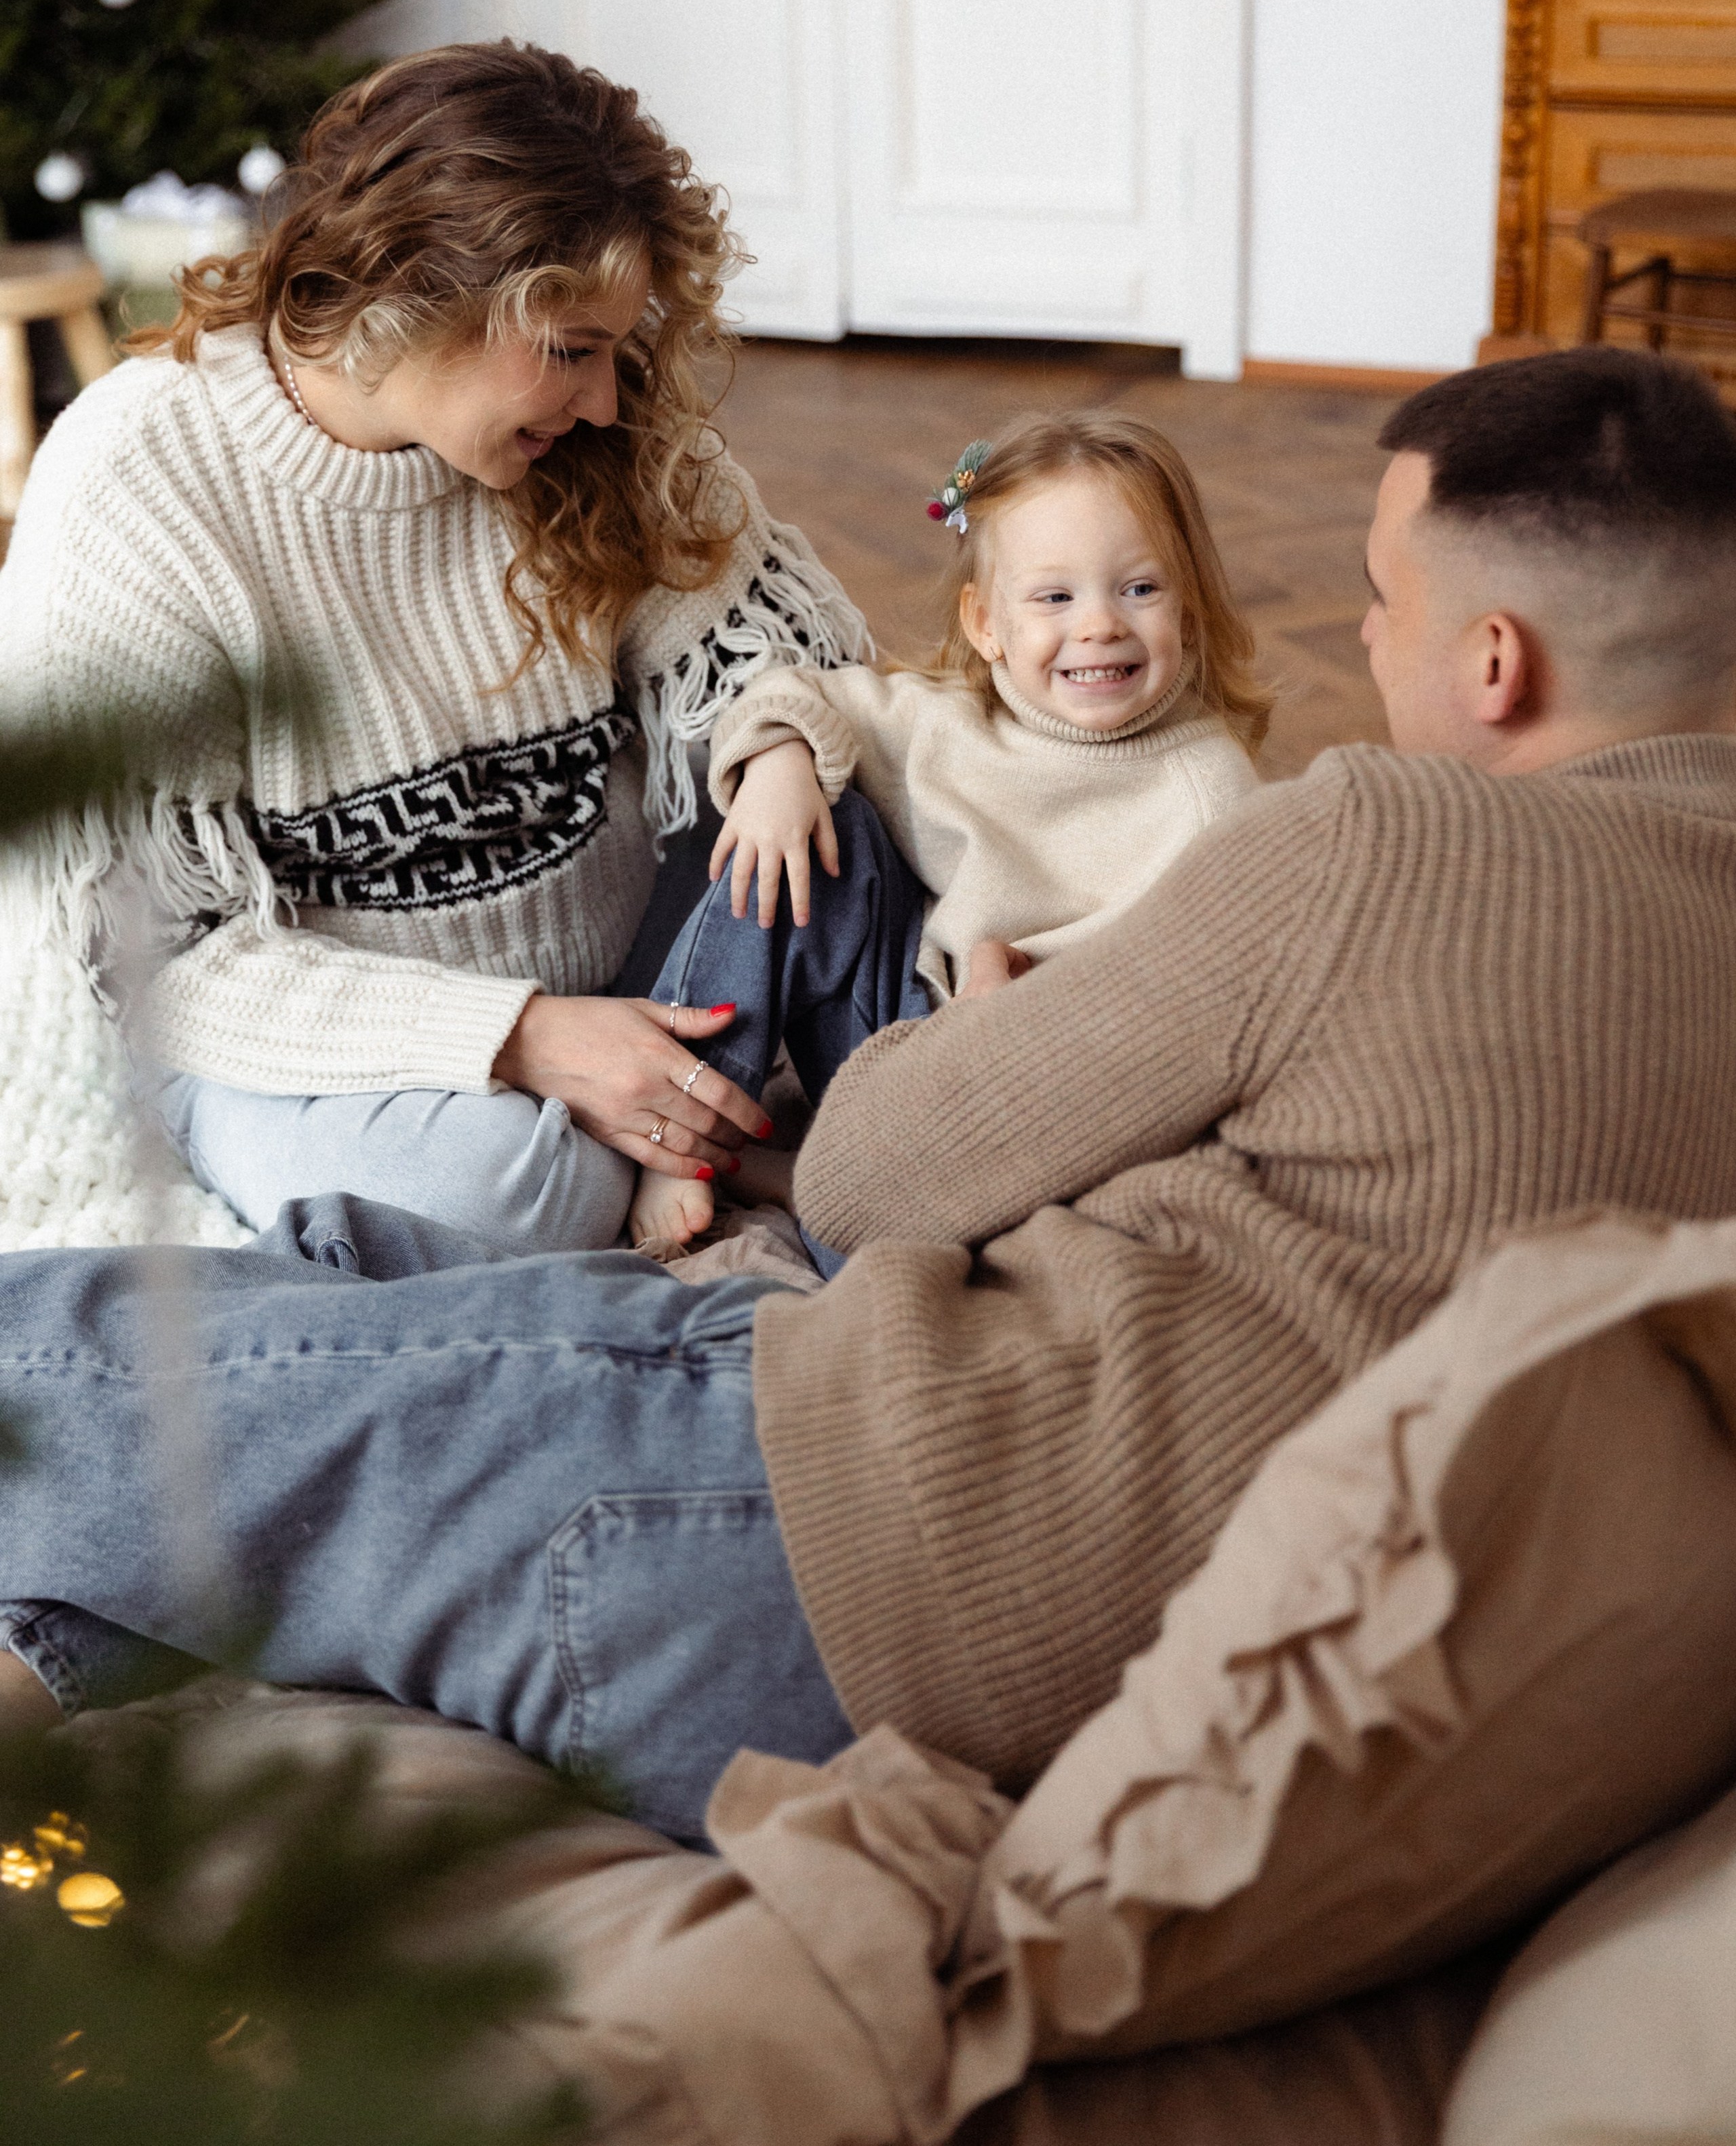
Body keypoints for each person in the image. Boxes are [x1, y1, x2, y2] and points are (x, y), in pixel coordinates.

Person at [2, 345, 1736, 1848]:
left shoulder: (1369, 838)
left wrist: (964, 1042)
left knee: (96, 1355)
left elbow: (866, 1173)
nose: (1365, 636)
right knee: (311, 1407)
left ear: (1493, 662)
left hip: (846, 1533)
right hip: (1166, 1635)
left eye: (1383, 600)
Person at [0, 43, 867, 1253]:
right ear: (415, 291)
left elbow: (772, 645)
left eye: (614, 350)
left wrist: (770, 743)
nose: (609, 399)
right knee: (499, 1189)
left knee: (840, 815)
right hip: (325, 1052)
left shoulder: (583, 433)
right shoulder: (140, 483)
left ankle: (699, 1131)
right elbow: (150, 958)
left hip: (642, 992)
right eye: (571, 349)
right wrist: (525, 1039)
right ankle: (728, 1147)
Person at [631, 410, 1269, 1249]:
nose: (1100, 625)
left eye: (1140, 589)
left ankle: (828, 1191)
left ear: (1187, 609)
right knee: (823, 828)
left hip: (1038, 1094)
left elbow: (1212, 1002)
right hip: (894, 1039)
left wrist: (1006, 1030)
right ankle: (684, 1120)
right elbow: (788, 691)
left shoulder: (1207, 789)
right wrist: (781, 766)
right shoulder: (945, 724)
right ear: (985, 624)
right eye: (1053, 597)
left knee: (961, 1236)